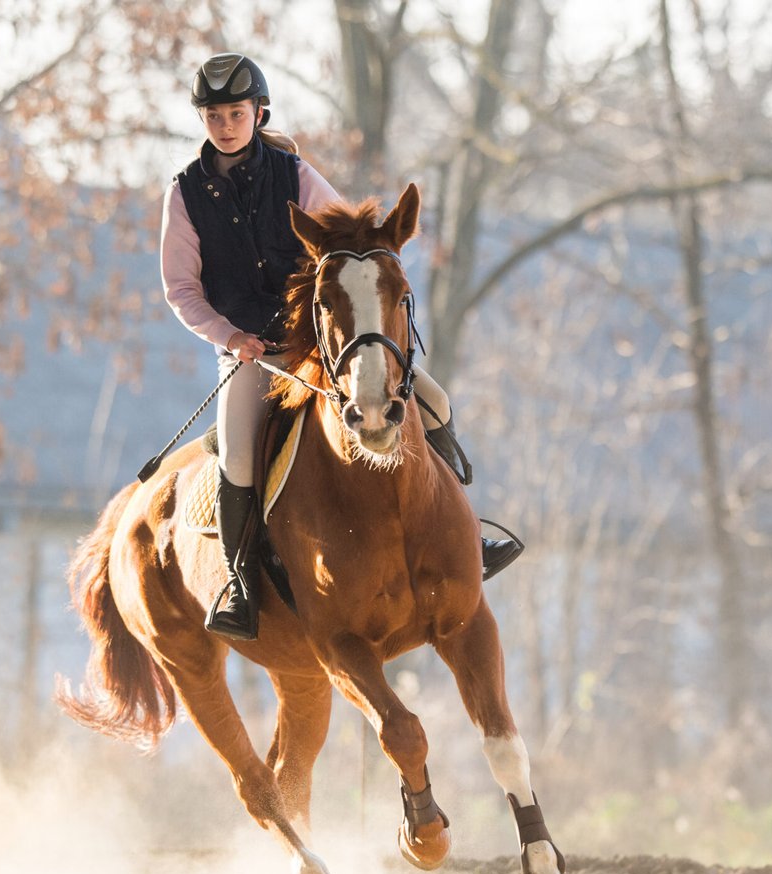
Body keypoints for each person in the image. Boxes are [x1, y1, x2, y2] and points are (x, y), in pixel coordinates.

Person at [160, 52, 522, 641]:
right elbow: (180, 289)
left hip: (316, 346)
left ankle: (466, 538)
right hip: (250, 355)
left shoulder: (294, 174)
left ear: (258, 113)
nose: (225, 124)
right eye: (214, 114)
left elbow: (345, 243)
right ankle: (239, 581)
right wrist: (230, 337)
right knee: (239, 457)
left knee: (433, 402)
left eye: (236, 112)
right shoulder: (184, 195)